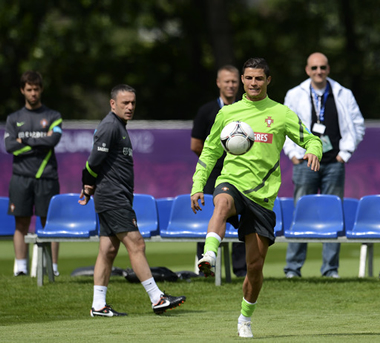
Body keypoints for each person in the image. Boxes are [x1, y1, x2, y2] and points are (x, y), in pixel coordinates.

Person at [191, 58, 322, 338]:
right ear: (241, 80)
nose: (252, 83)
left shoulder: (281, 113)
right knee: (222, 203)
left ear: (268, 81)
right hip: (231, 182)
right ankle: (210, 255)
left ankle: (245, 318)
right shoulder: (228, 113)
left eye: (258, 79)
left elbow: (312, 140)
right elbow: (210, 152)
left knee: (254, 268)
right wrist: (197, 185)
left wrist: (314, 151)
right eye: (248, 78)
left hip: (262, 198)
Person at [79, 84, 186, 316]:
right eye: (125, 103)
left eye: (133, 103)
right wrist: (86, 184)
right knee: (136, 244)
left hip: (114, 197)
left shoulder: (119, 126)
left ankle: (98, 305)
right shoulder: (110, 126)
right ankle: (157, 298)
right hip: (113, 197)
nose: (129, 107)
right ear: (112, 104)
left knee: (107, 251)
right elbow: (93, 160)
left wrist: (90, 187)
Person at [282, 52, 365, 278]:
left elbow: (358, 125)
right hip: (304, 162)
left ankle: (330, 269)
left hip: (333, 163)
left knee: (332, 214)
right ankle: (293, 268)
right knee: (302, 212)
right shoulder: (295, 94)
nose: (319, 72)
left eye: (323, 68)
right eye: (314, 68)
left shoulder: (342, 93)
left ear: (328, 69)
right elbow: (284, 126)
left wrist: (344, 154)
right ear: (307, 70)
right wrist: (292, 154)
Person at [191, 65, 247, 277]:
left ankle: (241, 270)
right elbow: (196, 144)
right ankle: (204, 268)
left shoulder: (245, 109)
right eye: (227, 81)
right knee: (209, 216)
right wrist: (214, 161)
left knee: (241, 217)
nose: (231, 85)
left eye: (234, 81)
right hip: (213, 174)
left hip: (240, 173)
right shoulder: (206, 111)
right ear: (218, 83)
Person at [4, 71, 62, 277]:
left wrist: (25, 141)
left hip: (47, 176)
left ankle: (52, 267)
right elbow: (9, 146)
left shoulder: (54, 116)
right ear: (22, 90)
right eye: (29, 89)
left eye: (36, 89)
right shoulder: (13, 118)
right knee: (21, 222)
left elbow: (52, 141)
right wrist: (39, 143)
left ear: (41, 89)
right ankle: (21, 267)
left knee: (49, 223)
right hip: (20, 177)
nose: (33, 93)